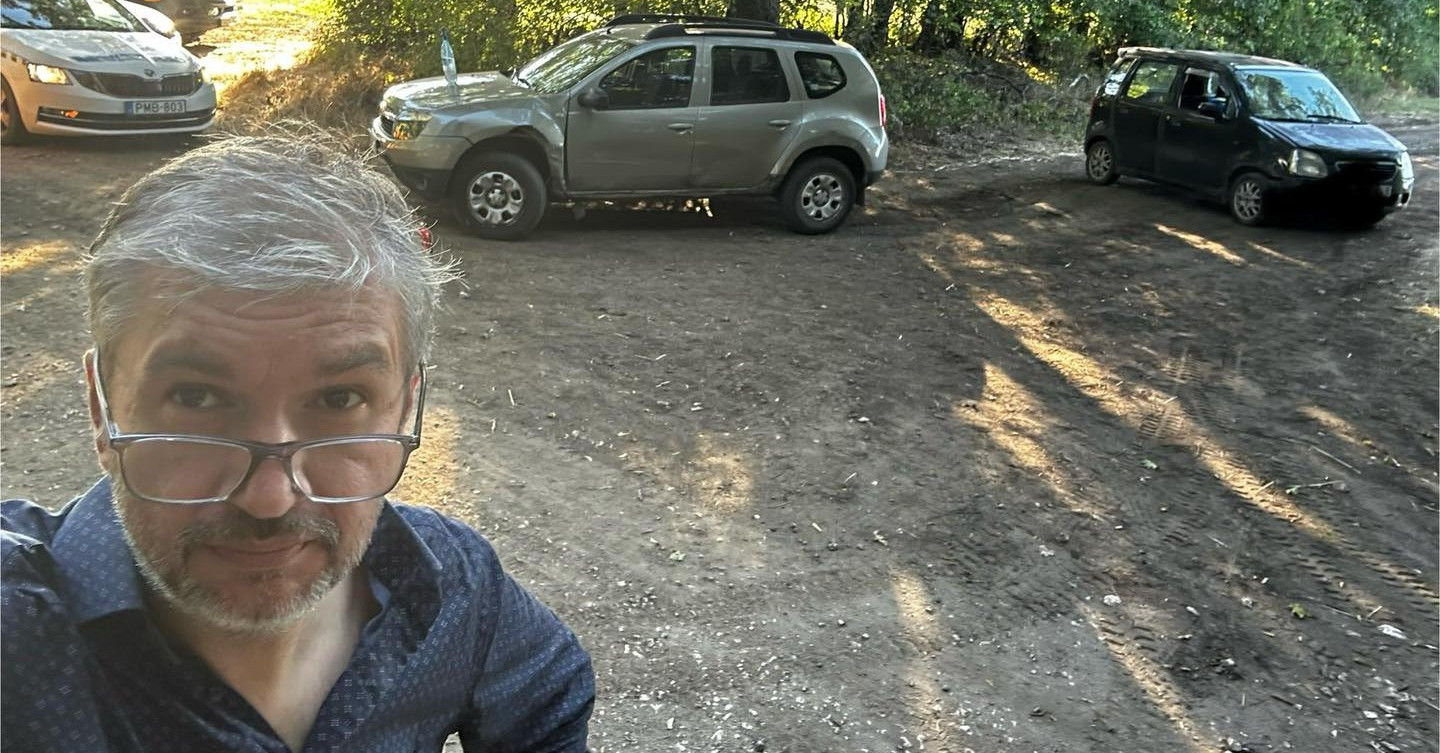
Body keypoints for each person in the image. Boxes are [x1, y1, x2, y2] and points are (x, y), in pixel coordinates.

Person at [0, 135, 595, 752]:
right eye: (196, 398)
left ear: (405, 407)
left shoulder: (453, 588)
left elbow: (550, 703)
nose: (269, 499)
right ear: (102, 407)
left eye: (339, 399)